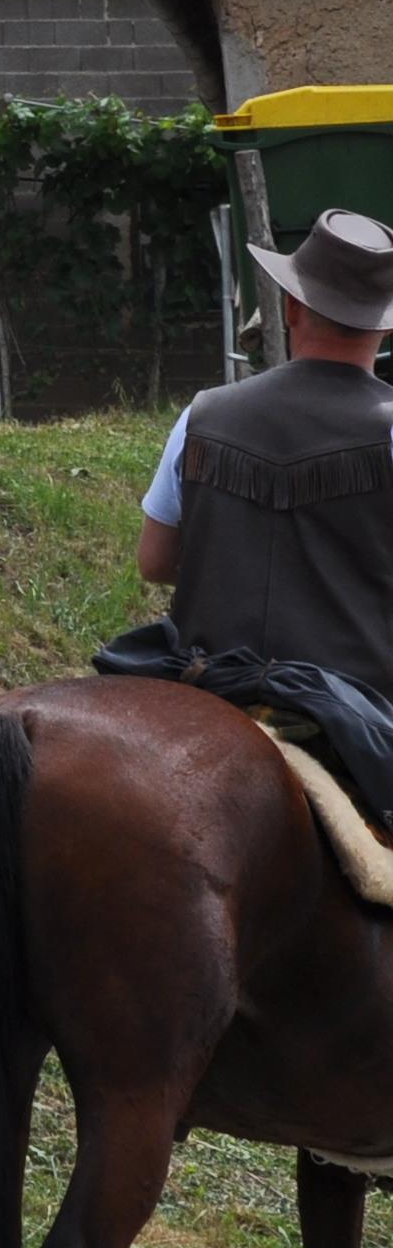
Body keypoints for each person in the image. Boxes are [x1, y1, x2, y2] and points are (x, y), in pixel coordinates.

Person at [112, 211, 393, 810]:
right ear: (385, 326)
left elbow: (155, 560)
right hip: (358, 708)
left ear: (290, 308)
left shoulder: (202, 413)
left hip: (209, 685)